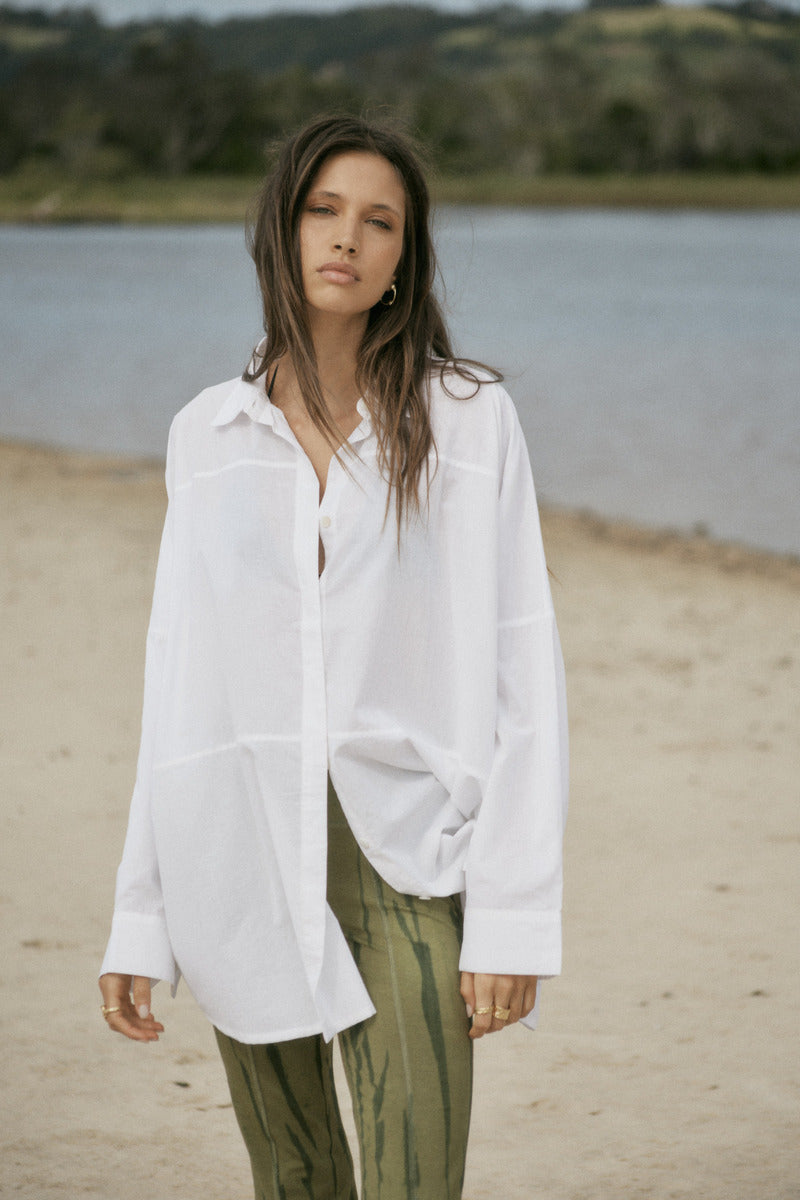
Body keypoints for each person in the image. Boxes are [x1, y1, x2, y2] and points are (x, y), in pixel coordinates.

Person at [98, 113, 568, 1200]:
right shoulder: (204, 435)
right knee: (294, 1178)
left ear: (405, 257)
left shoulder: (468, 421)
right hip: (236, 851)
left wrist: (512, 918)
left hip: (404, 852)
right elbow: (178, 682)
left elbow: (523, 670)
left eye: (379, 222)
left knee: (416, 1179)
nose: (347, 237)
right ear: (282, 228)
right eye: (323, 209)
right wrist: (141, 920)